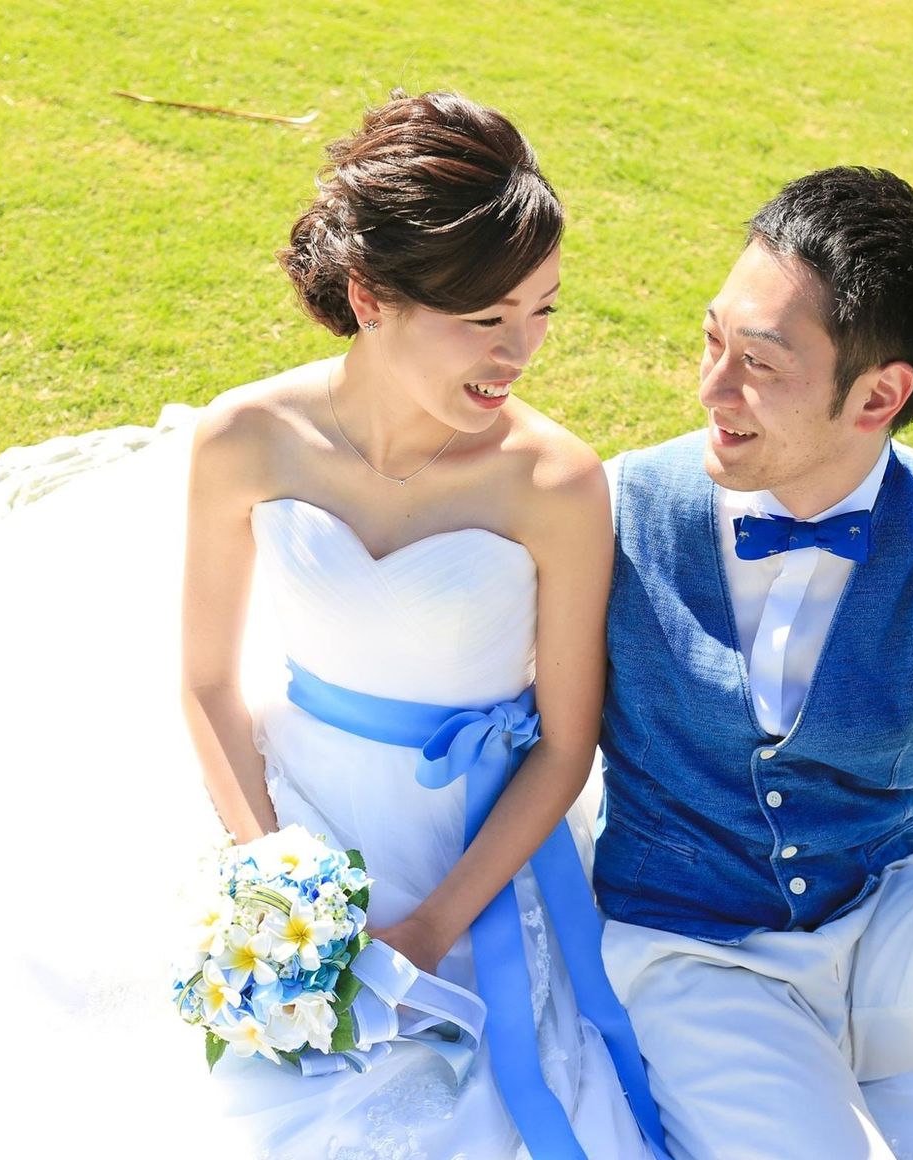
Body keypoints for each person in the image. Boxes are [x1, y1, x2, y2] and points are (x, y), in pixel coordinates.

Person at [178, 91, 665, 1159]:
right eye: (485, 319)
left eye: (541, 311)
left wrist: (437, 923)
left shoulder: (554, 481)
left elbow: (567, 742)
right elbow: (207, 682)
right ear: (370, 298)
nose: (519, 351)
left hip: (472, 847)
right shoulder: (247, 437)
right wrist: (270, 872)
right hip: (299, 812)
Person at [598, 166, 913, 1159]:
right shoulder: (615, 508)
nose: (710, 389)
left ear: (878, 395)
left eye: (757, 362)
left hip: (885, 914)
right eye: (711, 340)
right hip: (694, 950)